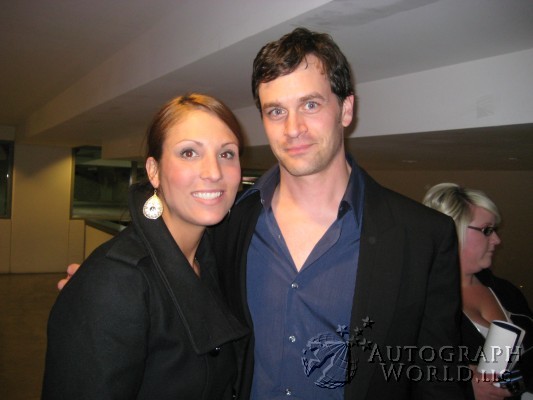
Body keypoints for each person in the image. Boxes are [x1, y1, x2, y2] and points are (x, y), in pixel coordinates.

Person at [58, 28, 466, 399]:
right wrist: (104, 298)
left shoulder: (423, 237)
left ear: (346, 109)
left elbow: (437, 380)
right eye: (276, 111)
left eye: (310, 104)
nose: (292, 128)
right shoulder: (230, 221)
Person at [43, 93, 249, 399]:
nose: (214, 172)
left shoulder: (212, 261)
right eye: (189, 152)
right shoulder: (117, 281)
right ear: (153, 171)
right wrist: (100, 292)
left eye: (227, 153)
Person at [423, 183, 533, 400]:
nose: (497, 240)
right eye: (487, 230)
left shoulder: (506, 292)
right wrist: (461, 384)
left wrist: (518, 383)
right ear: (453, 231)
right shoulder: (422, 300)